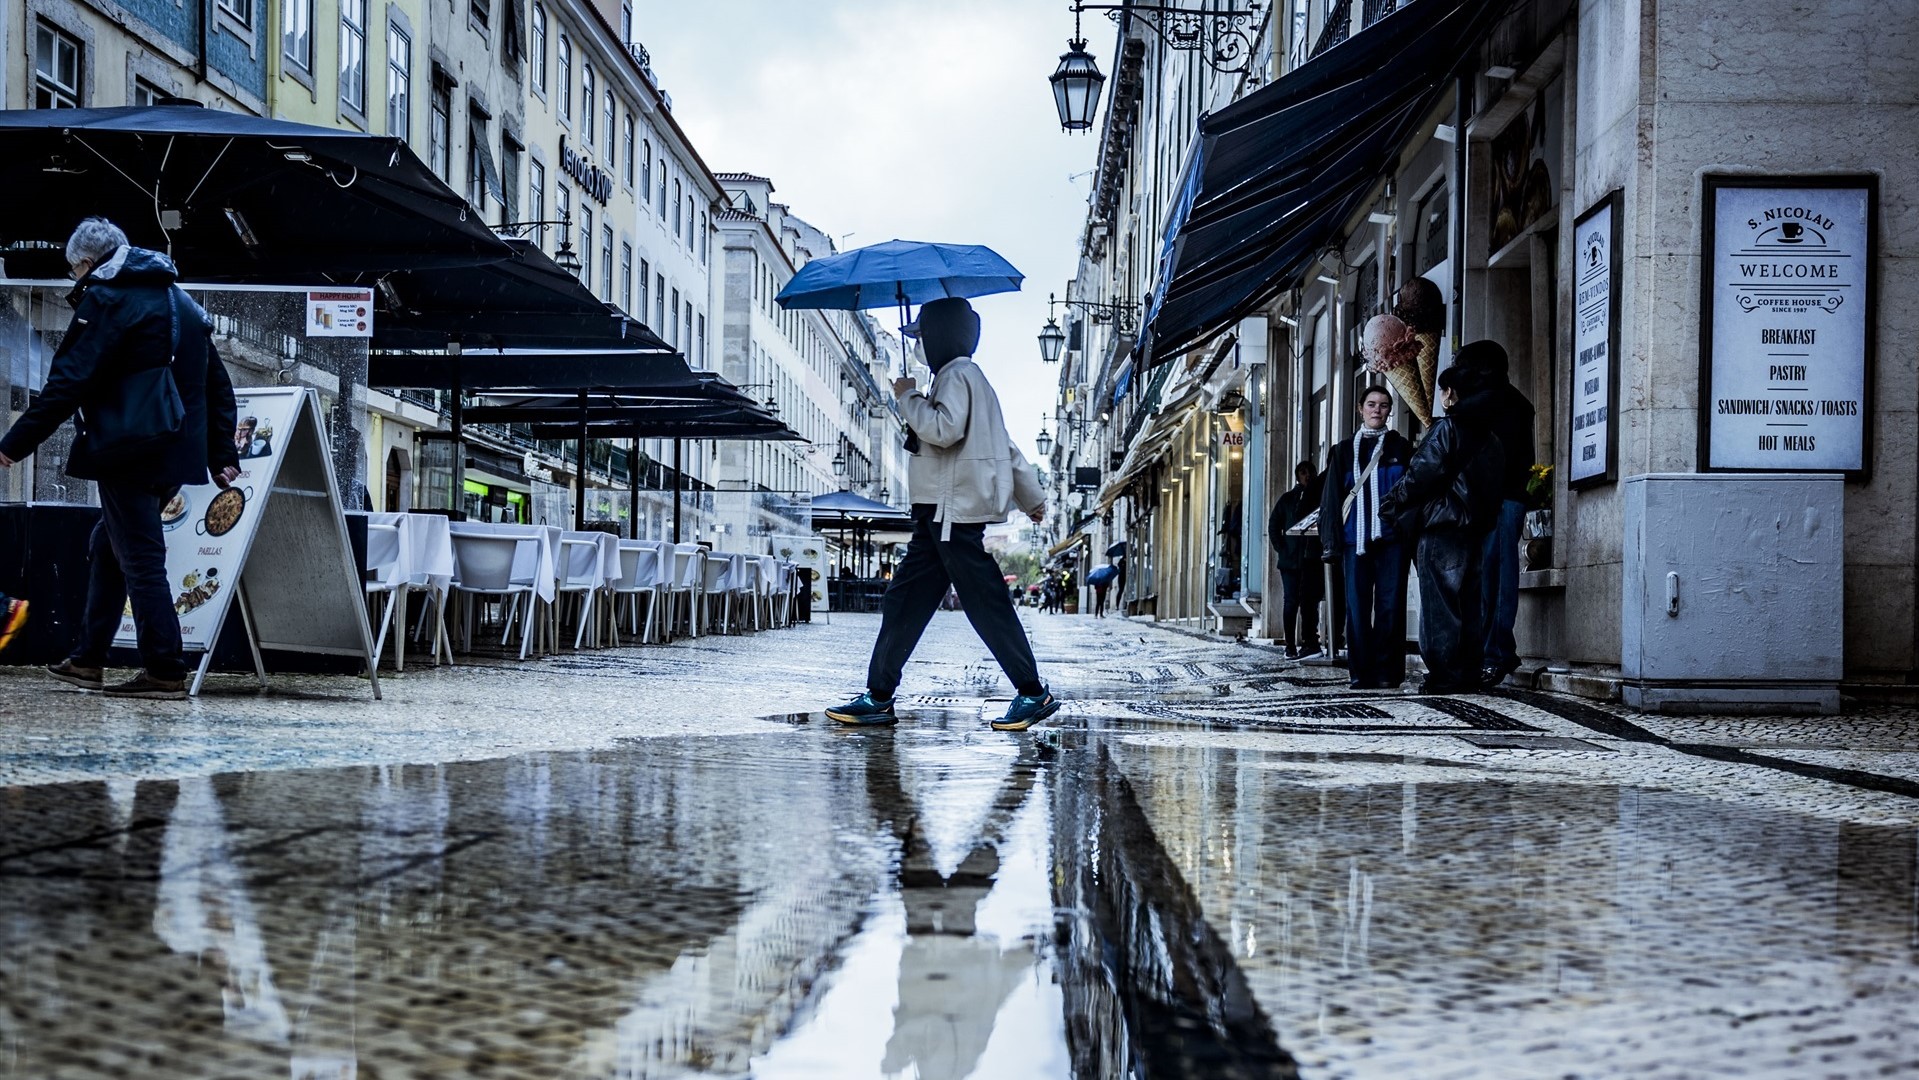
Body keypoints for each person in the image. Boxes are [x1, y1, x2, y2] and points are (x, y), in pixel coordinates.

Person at [0, 218, 240, 700]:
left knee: (142, 561)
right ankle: (88, 659)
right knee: (109, 545)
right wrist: (221, 453)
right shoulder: (185, 304)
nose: (75, 280)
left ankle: (165, 670)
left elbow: (67, 384)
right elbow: (217, 384)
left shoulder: (107, 301)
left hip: (128, 450)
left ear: (88, 264)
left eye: (75, 271)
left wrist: (13, 444)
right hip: (174, 453)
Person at [826, 297, 1058, 732]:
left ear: (937, 338)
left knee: (983, 600)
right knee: (906, 600)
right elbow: (1003, 445)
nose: (919, 345)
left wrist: (907, 396)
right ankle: (878, 695)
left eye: (923, 336)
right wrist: (1032, 497)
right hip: (941, 510)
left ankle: (1032, 691)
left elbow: (943, 430)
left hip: (949, 510)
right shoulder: (972, 379)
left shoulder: (955, 376)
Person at [1380, 361, 1506, 694]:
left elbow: (1421, 473)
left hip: (1442, 526)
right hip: (1476, 529)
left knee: (1440, 603)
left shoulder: (1447, 428)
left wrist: (1392, 503)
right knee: (1469, 601)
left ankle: (1443, 673)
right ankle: (1467, 671)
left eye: (1443, 392)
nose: (1442, 399)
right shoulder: (1492, 437)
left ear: (1451, 394)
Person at [1320, 386, 1414, 690]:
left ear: (1389, 411)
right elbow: (1332, 499)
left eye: (1384, 405)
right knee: (1357, 607)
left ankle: (1388, 672)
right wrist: (1330, 544)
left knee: (1391, 605)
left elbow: (1412, 494)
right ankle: (1360, 672)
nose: (1377, 410)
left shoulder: (1400, 447)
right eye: (1371, 404)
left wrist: (1407, 532)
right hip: (1353, 540)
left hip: (1392, 539)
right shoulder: (1343, 450)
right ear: (1360, 409)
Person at [1454, 340, 1535, 687]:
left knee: (1495, 579)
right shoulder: (1508, 401)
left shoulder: (1492, 404)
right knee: (1488, 580)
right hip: (1495, 501)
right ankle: (1492, 651)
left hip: (1499, 501)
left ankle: (1496, 653)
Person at [1270, 461, 1324, 658]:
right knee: (1291, 602)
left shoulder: (1319, 498)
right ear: (1297, 476)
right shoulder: (1287, 499)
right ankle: (1290, 645)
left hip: (1312, 560)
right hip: (1290, 561)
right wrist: (1282, 549)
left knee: (1310, 602)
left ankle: (1310, 641)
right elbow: (1273, 525)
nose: (1307, 476)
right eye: (1303, 473)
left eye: (1310, 472)